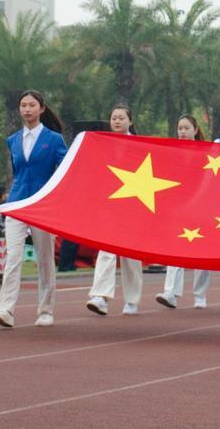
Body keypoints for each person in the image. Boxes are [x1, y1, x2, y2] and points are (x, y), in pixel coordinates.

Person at [0, 90, 69, 329]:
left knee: (45, 259)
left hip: (42, 205)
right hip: (17, 203)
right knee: (12, 257)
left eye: (31, 105)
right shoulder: (12, 140)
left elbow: (65, 168)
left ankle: (46, 310)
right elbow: (18, 171)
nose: (26, 109)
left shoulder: (54, 139)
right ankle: (5, 310)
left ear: (41, 109)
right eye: (23, 105)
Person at [87, 103, 144, 316]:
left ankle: (132, 300)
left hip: (134, 207)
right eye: (114, 118)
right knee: (106, 250)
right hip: (111, 207)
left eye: (121, 117)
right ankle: (100, 296)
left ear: (130, 121)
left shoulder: (140, 145)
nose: (117, 121)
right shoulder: (104, 144)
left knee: (131, 257)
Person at [156, 114, 212, 310]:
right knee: (174, 250)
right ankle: (170, 292)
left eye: (186, 128)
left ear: (195, 130)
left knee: (202, 254)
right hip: (179, 209)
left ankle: (200, 295)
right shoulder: (172, 152)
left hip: (202, 209)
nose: (182, 132)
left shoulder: (208, 153)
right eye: (180, 128)